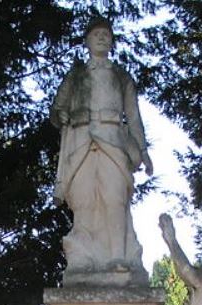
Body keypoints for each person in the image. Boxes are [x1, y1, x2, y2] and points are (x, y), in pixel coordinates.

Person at [50, 17, 152, 284]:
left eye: (106, 34)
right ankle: (83, 261)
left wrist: (142, 149)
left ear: (112, 41)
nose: (101, 38)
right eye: (96, 34)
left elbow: (133, 116)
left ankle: (119, 258)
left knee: (114, 197)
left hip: (113, 138)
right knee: (83, 200)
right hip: (82, 140)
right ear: (87, 40)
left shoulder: (121, 77)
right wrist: (61, 114)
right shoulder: (76, 76)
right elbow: (58, 107)